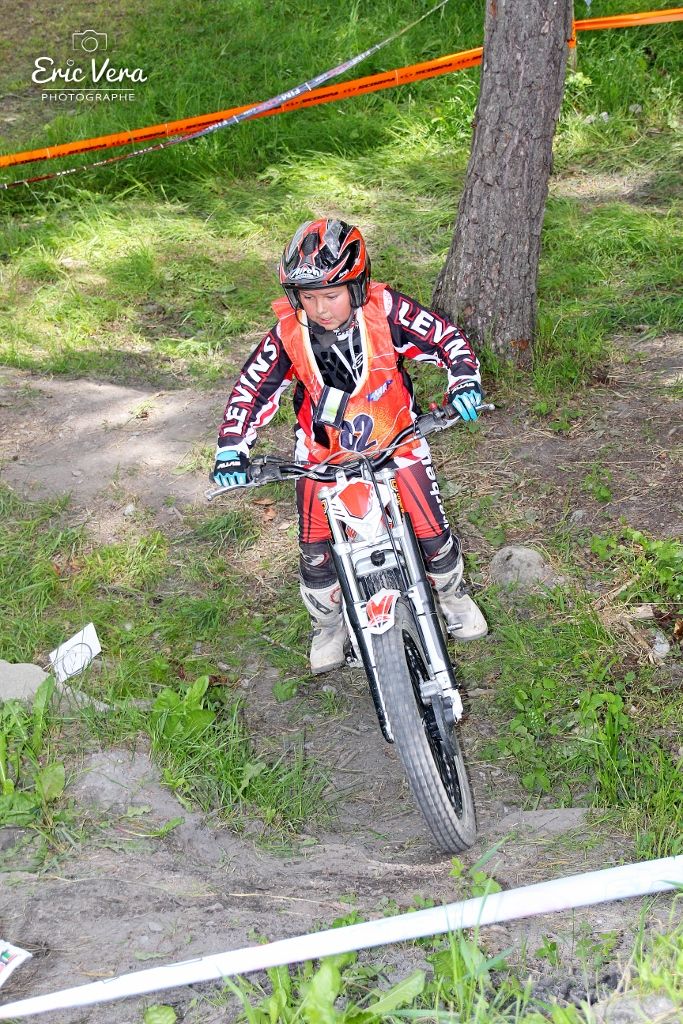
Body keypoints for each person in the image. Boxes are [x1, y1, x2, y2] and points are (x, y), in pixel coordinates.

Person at [212, 218, 488, 674]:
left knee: (432, 534)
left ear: (357, 286)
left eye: (332, 295)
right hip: (321, 457)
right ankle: (328, 627)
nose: (320, 308)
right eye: (308, 297)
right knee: (315, 553)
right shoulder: (288, 332)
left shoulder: (386, 309)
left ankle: (452, 598)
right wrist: (231, 447)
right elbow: (251, 388)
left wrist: (464, 381)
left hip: (397, 440)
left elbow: (445, 338)